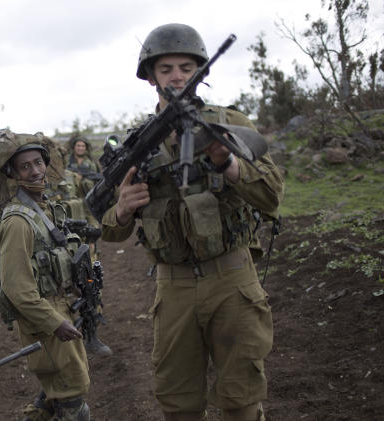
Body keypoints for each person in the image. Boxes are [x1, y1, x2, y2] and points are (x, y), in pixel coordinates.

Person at [99, 24, 284, 421]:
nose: (177, 76)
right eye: (165, 68)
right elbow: (110, 230)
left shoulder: (229, 123)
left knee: (241, 400)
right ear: (150, 76)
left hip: (232, 279)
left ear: (200, 71)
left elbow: (271, 196)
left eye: (186, 67)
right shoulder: (137, 145)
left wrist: (229, 164)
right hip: (174, 286)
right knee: (178, 403)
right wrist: (123, 207)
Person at [0, 129, 90, 421]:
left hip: (57, 310)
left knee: (59, 391)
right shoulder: (18, 220)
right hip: (42, 319)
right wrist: (54, 321)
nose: (35, 171)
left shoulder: (41, 208)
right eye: (25, 166)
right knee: (72, 399)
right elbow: (16, 288)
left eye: (38, 162)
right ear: (13, 173)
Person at [43, 139, 112, 357]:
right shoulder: (35, 185)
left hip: (81, 244)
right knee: (56, 294)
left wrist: (92, 229)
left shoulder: (74, 179)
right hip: (52, 250)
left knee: (91, 286)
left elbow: (87, 205)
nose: (54, 162)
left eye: (57, 157)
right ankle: (61, 345)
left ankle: (91, 336)